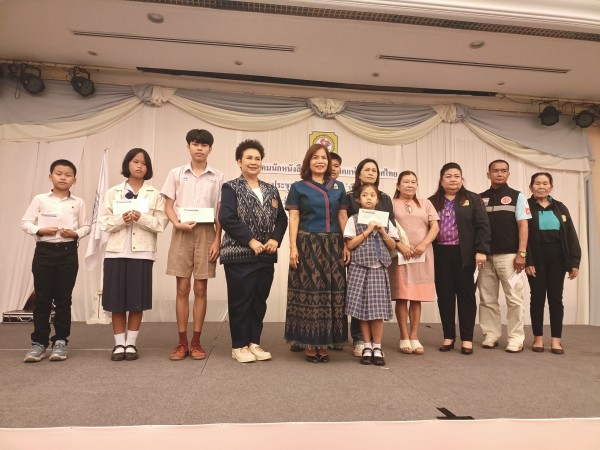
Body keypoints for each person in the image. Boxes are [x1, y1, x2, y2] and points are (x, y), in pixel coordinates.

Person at [219, 139, 288, 363]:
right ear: (239, 161)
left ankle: (253, 342)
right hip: (239, 255)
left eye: (257, 158)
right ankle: (239, 345)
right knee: (241, 301)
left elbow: (282, 219)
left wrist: (275, 240)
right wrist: (251, 241)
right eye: (248, 158)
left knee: (259, 301)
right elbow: (226, 218)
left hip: (266, 256)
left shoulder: (271, 189)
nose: (253, 162)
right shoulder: (230, 187)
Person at [161, 129, 224, 361]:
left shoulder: (218, 176)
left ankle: (196, 342)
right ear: (188, 146)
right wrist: (177, 223)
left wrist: (218, 239)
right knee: (182, 288)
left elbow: (220, 211)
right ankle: (181, 343)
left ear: (210, 149)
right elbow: (168, 205)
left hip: (207, 232)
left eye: (204, 145)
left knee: (200, 289)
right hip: (182, 231)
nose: (199, 148)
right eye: (195, 144)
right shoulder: (176, 173)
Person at [100, 148, 168, 361]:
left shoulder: (155, 194)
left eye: (144, 163)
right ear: (127, 164)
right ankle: (118, 344)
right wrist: (121, 219)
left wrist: (141, 218)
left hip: (143, 253)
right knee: (116, 301)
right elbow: (103, 222)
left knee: (137, 300)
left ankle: (131, 343)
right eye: (135, 161)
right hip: (115, 252)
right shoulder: (113, 192)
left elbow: (161, 224)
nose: (140, 166)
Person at [21, 159, 90, 362]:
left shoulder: (78, 202)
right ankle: (39, 343)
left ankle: (60, 341)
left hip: (68, 252)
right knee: (42, 299)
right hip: (44, 251)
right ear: (50, 176)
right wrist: (40, 230)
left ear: (74, 180)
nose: (63, 177)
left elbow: (86, 226)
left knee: (63, 300)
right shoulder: (40, 199)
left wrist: (75, 233)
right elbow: (25, 222)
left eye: (68, 175)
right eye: (58, 173)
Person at [285, 143, 349, 363]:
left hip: (333, 244)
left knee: (332, 293)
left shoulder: (338, 187)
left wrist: (346, 244)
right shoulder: (298, 187)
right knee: (310, 293)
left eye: (324, 158)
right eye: (315, 158)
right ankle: (309, 342)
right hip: (307, 243)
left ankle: (326, 341)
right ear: (308, 162)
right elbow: (294, 218)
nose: (320, 161)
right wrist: (293, 247)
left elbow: (342, 217)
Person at [429, 162, 490, 355]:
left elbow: (483, 226)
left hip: (465, 255)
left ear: (462, 179)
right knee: (445, 296)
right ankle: (448, 337)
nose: (453, 179)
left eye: (457, 176)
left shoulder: (473, 199)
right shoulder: (431, 201)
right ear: (441, 180)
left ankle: (467, 339)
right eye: (448, 176)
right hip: (440, 254)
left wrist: (481, 250)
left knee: (466, 296)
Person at [345, 184, 405, 366]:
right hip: (359, 267)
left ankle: (377, 347)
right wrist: (367, 230)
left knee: (377, 311)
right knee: (363, 310)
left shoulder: (384, 220)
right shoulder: (353, 219)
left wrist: (382, 231)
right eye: (365, 195)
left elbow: (393, 245)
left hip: (379, 268)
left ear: (378, 200)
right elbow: (350, 245)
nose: (369, 198)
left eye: (372, 195)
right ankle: (367, 345)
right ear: (359, 199)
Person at [478, 160, 531, 353]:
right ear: (488, 174)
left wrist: (521, 253)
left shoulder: (518, 196)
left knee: (514, 299)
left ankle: (516, 338)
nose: (499, 174)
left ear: (508, 174)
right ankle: (491, 334)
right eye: (495, 171)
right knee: (487, 299)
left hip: (510, 257)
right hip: (485, 257)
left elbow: (523, 225)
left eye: (503, 171)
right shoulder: (480, 198)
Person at [525, 173, 581, 355]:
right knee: (537, 298)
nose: (541, 187)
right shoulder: (525, 206)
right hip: (536, 259)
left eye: (545, 183)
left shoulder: (560, 207)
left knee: (556, 299)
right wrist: (528, 260)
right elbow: (522, 236)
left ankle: (556, 340)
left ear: (551, 186)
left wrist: (574, 262)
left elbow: (571, 234)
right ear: (531, 186)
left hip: (557, 259)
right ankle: (538, 338)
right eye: (537, 183)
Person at [346, 158, 395, 357]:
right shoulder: (349, 198)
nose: (370, 173)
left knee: (376, 305)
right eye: (366, 169)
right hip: (359, 260)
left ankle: (376, 345)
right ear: (359, 173)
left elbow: (392, 234)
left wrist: (384, 233)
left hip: (379, 262)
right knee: (359, 301)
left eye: (374, 170)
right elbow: (347, 232)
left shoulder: (385, 199)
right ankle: (361, 340)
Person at [389, 171, 439, 355]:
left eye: (413, 182)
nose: (410, 185)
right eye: (406, 182)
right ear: (398, 185)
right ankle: (404, 336)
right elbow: (386, 228)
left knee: (416, 297)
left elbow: (435, 227)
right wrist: (399, 245)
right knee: (402, 296)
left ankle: (414, 336)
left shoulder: (426, 203)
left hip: (422, 255)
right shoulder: (391, 203)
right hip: (400, 255)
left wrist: (423, 245)